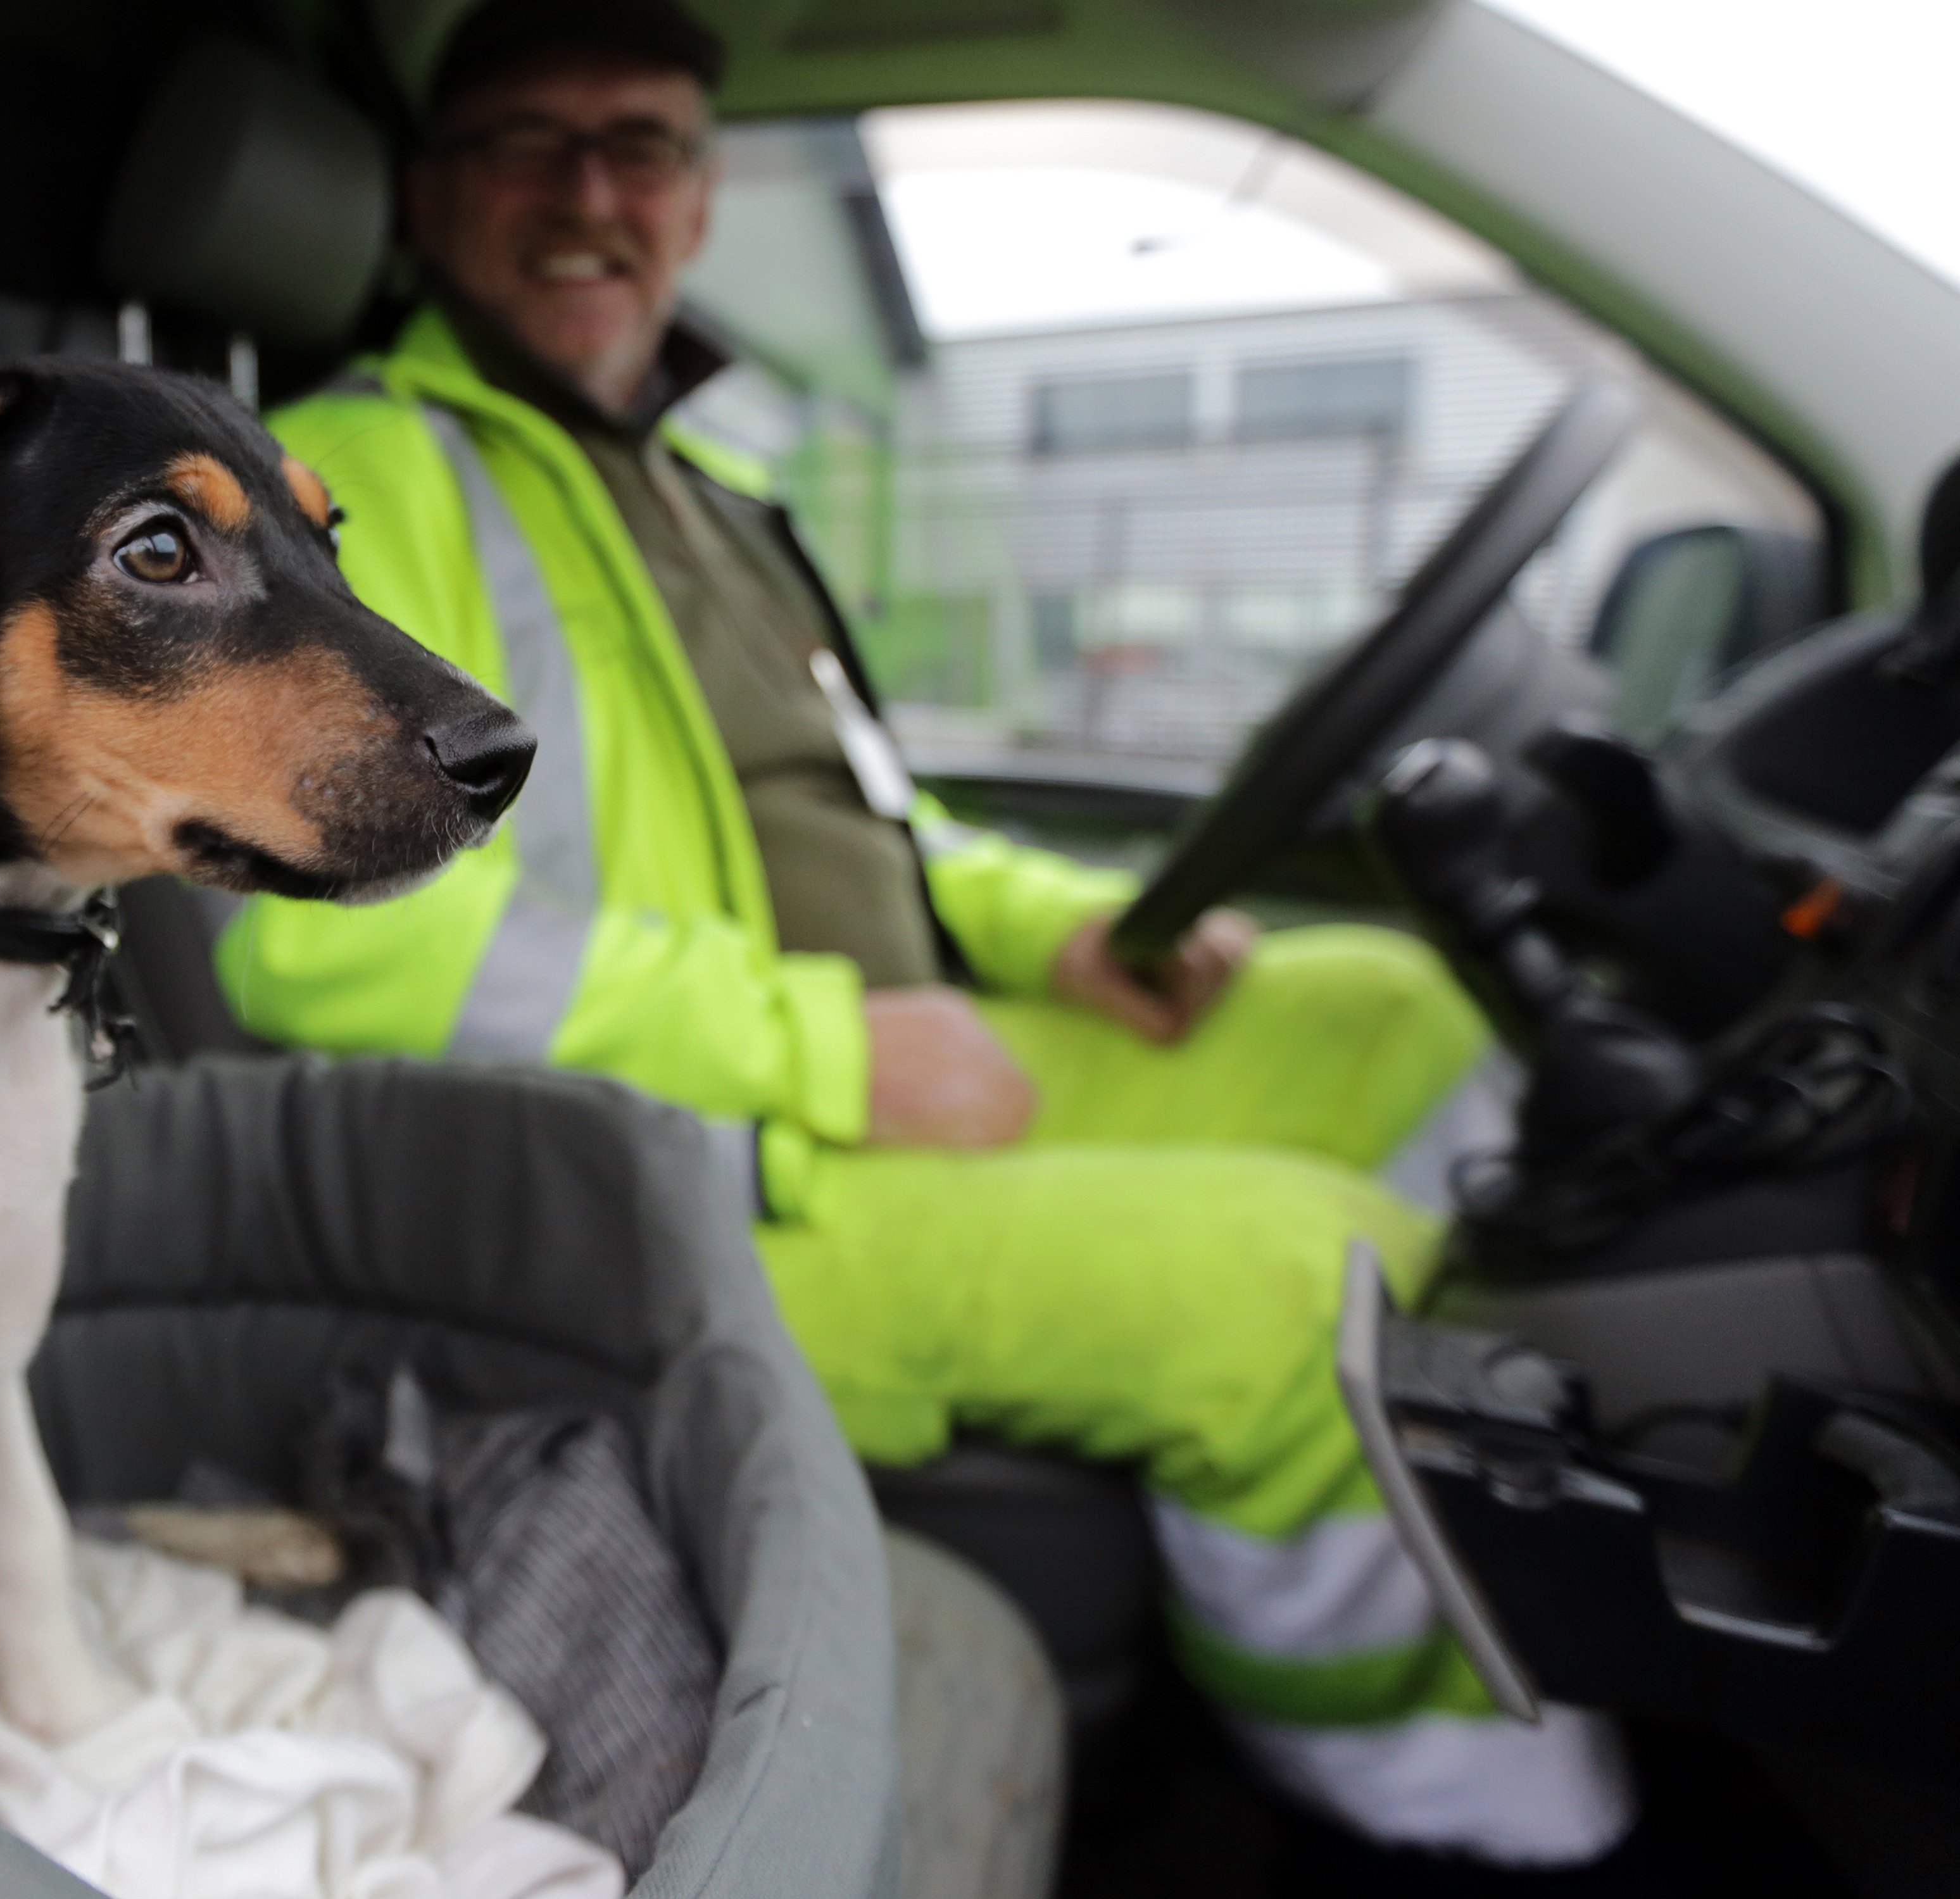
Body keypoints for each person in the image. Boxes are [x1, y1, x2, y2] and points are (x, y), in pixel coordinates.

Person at [227, 0, 1643, 1883]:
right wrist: (832, 1053)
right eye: (526, 147)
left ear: (701, 202)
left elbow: (882, 813)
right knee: (1312, 1295)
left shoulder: (708, 496)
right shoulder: (344, 479)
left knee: (1385, 1007)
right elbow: (321, 946)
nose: (589, 195)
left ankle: (1498, 1535)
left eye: (638, 147)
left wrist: (1066, 937)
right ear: (430, 194)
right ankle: (1470, 1825)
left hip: (870, 1063)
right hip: (676, 1179)